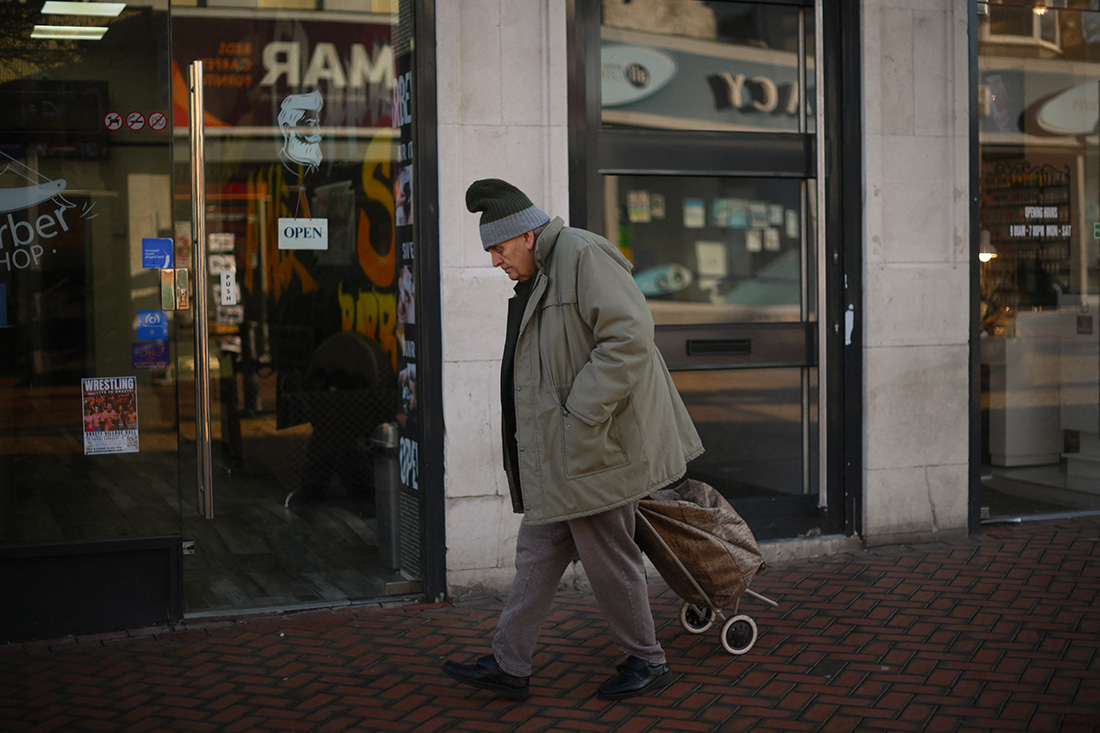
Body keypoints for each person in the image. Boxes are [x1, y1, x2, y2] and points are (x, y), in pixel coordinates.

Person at [442, 179, 704, 702]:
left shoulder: (581, 253)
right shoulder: (544, 270)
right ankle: (508, 662)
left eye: (498, 248)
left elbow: (629, 337)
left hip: (594, 447)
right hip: (566, 451)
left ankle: (648, 662)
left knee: (610, 555)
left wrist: (579, 413)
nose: (495, 262)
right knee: (536, 552)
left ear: (527, 234)